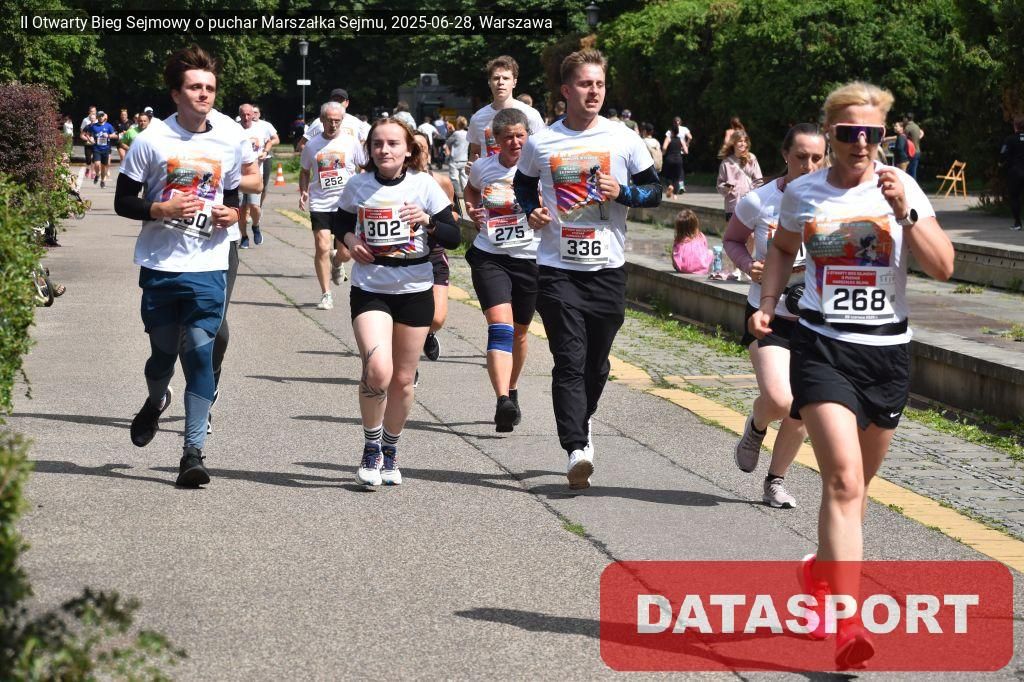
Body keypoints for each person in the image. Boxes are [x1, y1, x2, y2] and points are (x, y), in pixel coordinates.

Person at [749, 81, 954, 668]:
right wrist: (769, 303)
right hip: (823, 348)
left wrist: (905, 211)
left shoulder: (902, 187)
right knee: (841, 480)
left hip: (886, 354)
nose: (860, 143)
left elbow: (943, 266)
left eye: (871, 133)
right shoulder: (804, 192)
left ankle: (819, 574)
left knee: (857, 491)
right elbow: (783, 249)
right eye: (848, 133)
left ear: (884, 135)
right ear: (831, 134)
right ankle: (847, 626)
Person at [514, 48, 662, 489]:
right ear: (566, 90)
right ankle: (576, 447)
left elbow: (654, 192)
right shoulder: (542, 142)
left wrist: (624, 193)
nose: (593, 91)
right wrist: (531, 211)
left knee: (596, 365)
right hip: (557, 268)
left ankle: (584, 418)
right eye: (584, 83)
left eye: (599, 84)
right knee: (569, 359)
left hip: (607, 269)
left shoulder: (623, 138)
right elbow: (523, 185)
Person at [114, 45, 244, 488]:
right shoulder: (151, 140)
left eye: (210, 87)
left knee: (201, 352)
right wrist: (160, 209)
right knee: (163, 355)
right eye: (195, 87)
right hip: (160, 264)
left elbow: (233, 196)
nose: (204, 94)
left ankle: (192, 452)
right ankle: (155, 402)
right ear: (176, 94)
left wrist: (232, 214)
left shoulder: (227, 139)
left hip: (208, 265)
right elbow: (123, 201)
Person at [333, 118, 461, 487]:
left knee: (403, 380)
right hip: (371, 287)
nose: (384, 150)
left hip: (415, 288)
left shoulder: (425, 185)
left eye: (392, 144)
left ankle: (390, 450)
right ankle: (371, 447)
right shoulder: (358, 185)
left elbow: (454, 237)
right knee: (377, 370)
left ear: (407, 150)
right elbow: (338, 220)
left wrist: (428, 221)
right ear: (369, 150)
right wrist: (350, 241)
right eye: (377, 144)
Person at [723, 123, 827, 509]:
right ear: (785, 155)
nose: (809, 166)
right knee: (781, 400)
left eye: (817, 158)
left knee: (803, 409)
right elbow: (732, 239)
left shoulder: (836, 202)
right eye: (801, 157)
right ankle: (757, 424)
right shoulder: (760, 200)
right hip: (769, 313)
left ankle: (775, 481)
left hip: (816, 319)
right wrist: (747, 264)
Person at [464, 108, 537, 431]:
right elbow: (471, 189)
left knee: (520, 332)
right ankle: (502, 400)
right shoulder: (484, 167)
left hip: (530, 258)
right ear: (496, 139)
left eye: (520, 136)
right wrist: (471, 209)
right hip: (490, 255)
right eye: (508, 137)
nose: (515, 142)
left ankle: (512, 388)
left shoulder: (539, 169)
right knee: (500, 326)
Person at [300, 101, 366, 310]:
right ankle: (326, 294)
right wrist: (303, 191)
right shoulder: (312, 145)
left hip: (346, 204)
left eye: (337, 121)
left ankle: (337, 263)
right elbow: (304, 171)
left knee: (345, 253)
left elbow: (363, 167)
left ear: (342, 121)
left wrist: (363, 189)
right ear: (322, 120)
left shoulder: (351, 142)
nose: (333, 124)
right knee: (322, 246)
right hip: (320, 202)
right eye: (329, 120)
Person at [410, 130, 457, 362]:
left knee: (437, 318)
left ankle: (428, 333)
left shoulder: (441, 182)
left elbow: (454, 216)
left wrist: (436, 221)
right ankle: (409, 356)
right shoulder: (398, 184)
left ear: (428, 152)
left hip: (435, 254)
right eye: (414, 148)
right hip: (407, 256)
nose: (418, 153)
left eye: (422, 148)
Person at [468, 55, 546, 161]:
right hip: (490, 171)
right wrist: (472, 167)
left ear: (514, 82)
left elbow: (542, 150)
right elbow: (475, 152)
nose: (500, 82)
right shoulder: (478, 118)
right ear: (489, 82)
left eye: (506, 78)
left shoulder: (531, 115)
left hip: (522, 171)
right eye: (496, 78)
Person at [237, 102, 276, 248]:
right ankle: (244, 237)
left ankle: (255, 225)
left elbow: (270, 141)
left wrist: (265, 152)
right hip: (238, 175)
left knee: (255, 206)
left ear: (253, 114)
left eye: (248, 114)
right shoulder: (234, 129)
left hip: (256, 174)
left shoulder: (260, 128)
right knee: (241, 209)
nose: (246, 117)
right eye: (243, 115)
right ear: (239, 115)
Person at [298, 88, 371, 153]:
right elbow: (302, 144)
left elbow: (363, 143)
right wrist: (313, 160)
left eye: (340, 100)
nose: (337, 103)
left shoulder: (356, 122)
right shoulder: (319, 121)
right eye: (335, 100)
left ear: (347, 103)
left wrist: (359, 161)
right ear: (330, 102)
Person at [717, 130, 762, 220]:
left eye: (745, 141)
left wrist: (753, 193)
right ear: (733, 143)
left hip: (749, 203)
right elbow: (719, 184)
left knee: (750, 229)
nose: (743, 144)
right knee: (733, 230)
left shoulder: (751, 158)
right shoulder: (726, 163)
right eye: (740, 141)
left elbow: (759, 180)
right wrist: (727, 187)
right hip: (732, 205)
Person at [252, 105, 279, 215]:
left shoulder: (266, 125)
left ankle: (259, 206)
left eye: (256, 112)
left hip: (265, 158)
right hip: (250, 159)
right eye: (252, 112)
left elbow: (276, 139)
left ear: (260, 114)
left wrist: (268, 144)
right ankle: (249, 208)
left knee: (263, 184)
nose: (254, 115)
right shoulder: (244, 124)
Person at [671, 209, 713, 274]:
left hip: (683, 269)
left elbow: (675, 255)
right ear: (695, 224)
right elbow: (705, 250)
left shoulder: (679, 240)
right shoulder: (701, 236)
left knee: (675, 253)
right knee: (710, 252)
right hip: (702, 268)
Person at [1001, 115, 1024, 231]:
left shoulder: (1009, 139)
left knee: (1015, 197)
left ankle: (1018, 223)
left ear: (1015, 126)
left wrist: (1004, 164)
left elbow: (1003, 155)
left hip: (1015, 172)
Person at [86, 111, 117, 188]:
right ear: (97, 117)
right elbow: (88, 134)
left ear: (104, 117)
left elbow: (114, 135)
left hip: (106, 149)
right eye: (99, 116)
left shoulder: (108, 126)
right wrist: (90, 140)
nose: (101, 117)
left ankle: (102, 181)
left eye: (102, 116)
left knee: (103, 167)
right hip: (97, 148)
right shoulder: (93, 126)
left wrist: (108, 135)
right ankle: (97, 174)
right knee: (97, 164)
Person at [662, 117, 690, 197]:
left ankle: (670, 186)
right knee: (676, 178)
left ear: (671, 132)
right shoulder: (681, 140)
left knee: (667, 176)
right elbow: (686, 151)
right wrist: (683, 149)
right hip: (678, 159)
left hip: (669, 159)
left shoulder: (669, 138)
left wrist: (663, 153)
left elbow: (664, 147)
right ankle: (675, 196)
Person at [446, 115, 470, 199]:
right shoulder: (467, 134)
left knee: (454, 178)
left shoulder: (456, 134)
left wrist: (450, 132)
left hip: (455, 159)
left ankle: (458, 195)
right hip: (464, 159)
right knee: (464, 179)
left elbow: (448, 142)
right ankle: (466, 195)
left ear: (457, 124)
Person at [903, 113, 924, 180]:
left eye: (904, 118)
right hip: (918, 151)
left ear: (906, 119)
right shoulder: (917, 126)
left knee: (910, 172)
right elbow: (921, 134)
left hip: (911, 152)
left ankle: (911, 185)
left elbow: (903, 138)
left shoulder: (908, 127)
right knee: (913, 170)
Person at [80, 106, 97, 179]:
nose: (93, 112)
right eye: (91, 111)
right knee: (88, 158)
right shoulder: (86, 123)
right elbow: (82, 133)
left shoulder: (98, 123)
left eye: (94, 111)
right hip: (88, 143)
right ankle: (88, 168)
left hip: (95, 144)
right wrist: (87, 138)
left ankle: (93, 172)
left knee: (95, 158)